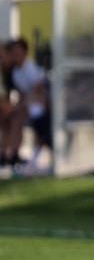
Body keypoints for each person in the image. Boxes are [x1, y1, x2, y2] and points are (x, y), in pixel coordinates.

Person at [1, 38, 51, 168]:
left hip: (41, 105)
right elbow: (22, 95)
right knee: (12, 118)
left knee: (33, 113)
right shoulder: (16, 72)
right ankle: (13, 153)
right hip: (27, 104)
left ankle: (39, 151)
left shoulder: (32, 67)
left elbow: (38, 92)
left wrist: (20, 107)